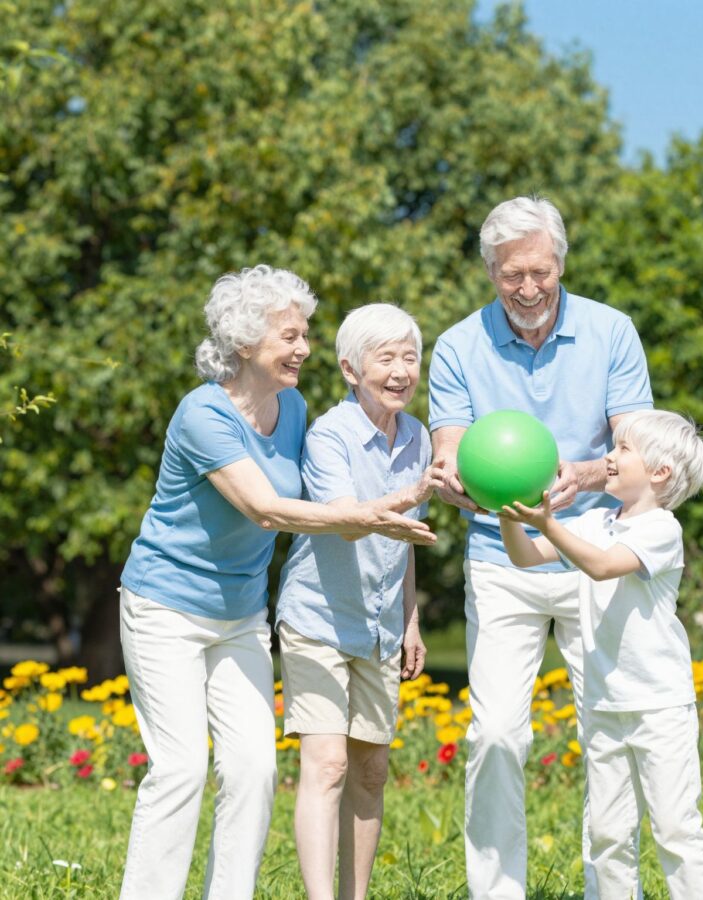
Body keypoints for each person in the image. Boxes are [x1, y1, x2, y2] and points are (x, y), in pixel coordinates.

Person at [118, 267, 436, 900]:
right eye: (290, 336)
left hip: (240, 613)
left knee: (254, 768)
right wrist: (378, 511)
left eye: (305, 335)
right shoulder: (203, 413)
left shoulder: (292, 409)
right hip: (165, 607)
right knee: (181, 768)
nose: (304, 349)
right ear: (244, 342)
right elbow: (265, 509)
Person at [427, 195, 653, 899]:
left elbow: (637, 450)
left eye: (540, 272)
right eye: (511, 275)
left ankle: (612, 890)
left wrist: (581, 474)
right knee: (495, 733)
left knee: (608, 729)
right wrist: (458, 483)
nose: (527, 289)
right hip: (501, 555)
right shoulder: (458, 346)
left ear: (561, 264)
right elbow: (449, 450)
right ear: (489, 272)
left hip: (594, 548)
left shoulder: (612, 332)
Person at [498, 409, 703, 900]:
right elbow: (525, 556)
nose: (609, 457)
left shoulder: (661, 530)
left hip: (659, 706)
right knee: (607, 833)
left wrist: (547, 523)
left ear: (659, 472)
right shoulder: (596, 521)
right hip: (603, 703)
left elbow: (601, 566)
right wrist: (508, 514)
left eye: (622, 449)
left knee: (675, 828)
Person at [274, 303, 442, 900]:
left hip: (380, 626)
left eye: (409, 358)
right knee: (328, 764)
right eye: (385, 358)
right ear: (350, 369)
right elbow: (347, 523)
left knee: (370, 770)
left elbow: (407, 539)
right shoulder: (330, 435)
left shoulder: (418, 436)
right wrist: (415, 492)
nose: (400, 371)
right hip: (318, 617)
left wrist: (411, 619)